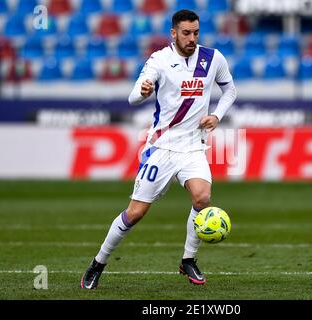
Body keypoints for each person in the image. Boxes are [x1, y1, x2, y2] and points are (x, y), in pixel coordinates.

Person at [80, 9, 237, 289]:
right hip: (161, 147)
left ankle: (188, 259)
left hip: (192, 147)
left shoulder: (213, 58)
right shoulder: (159, 60)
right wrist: (141, 92)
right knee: (135, 213)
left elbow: (230, 91)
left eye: (196, 32)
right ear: (173, 33)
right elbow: (132, 98)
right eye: (186, 33)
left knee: (202, 199)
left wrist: (217, 116)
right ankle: (98, 263)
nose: (192, 38)